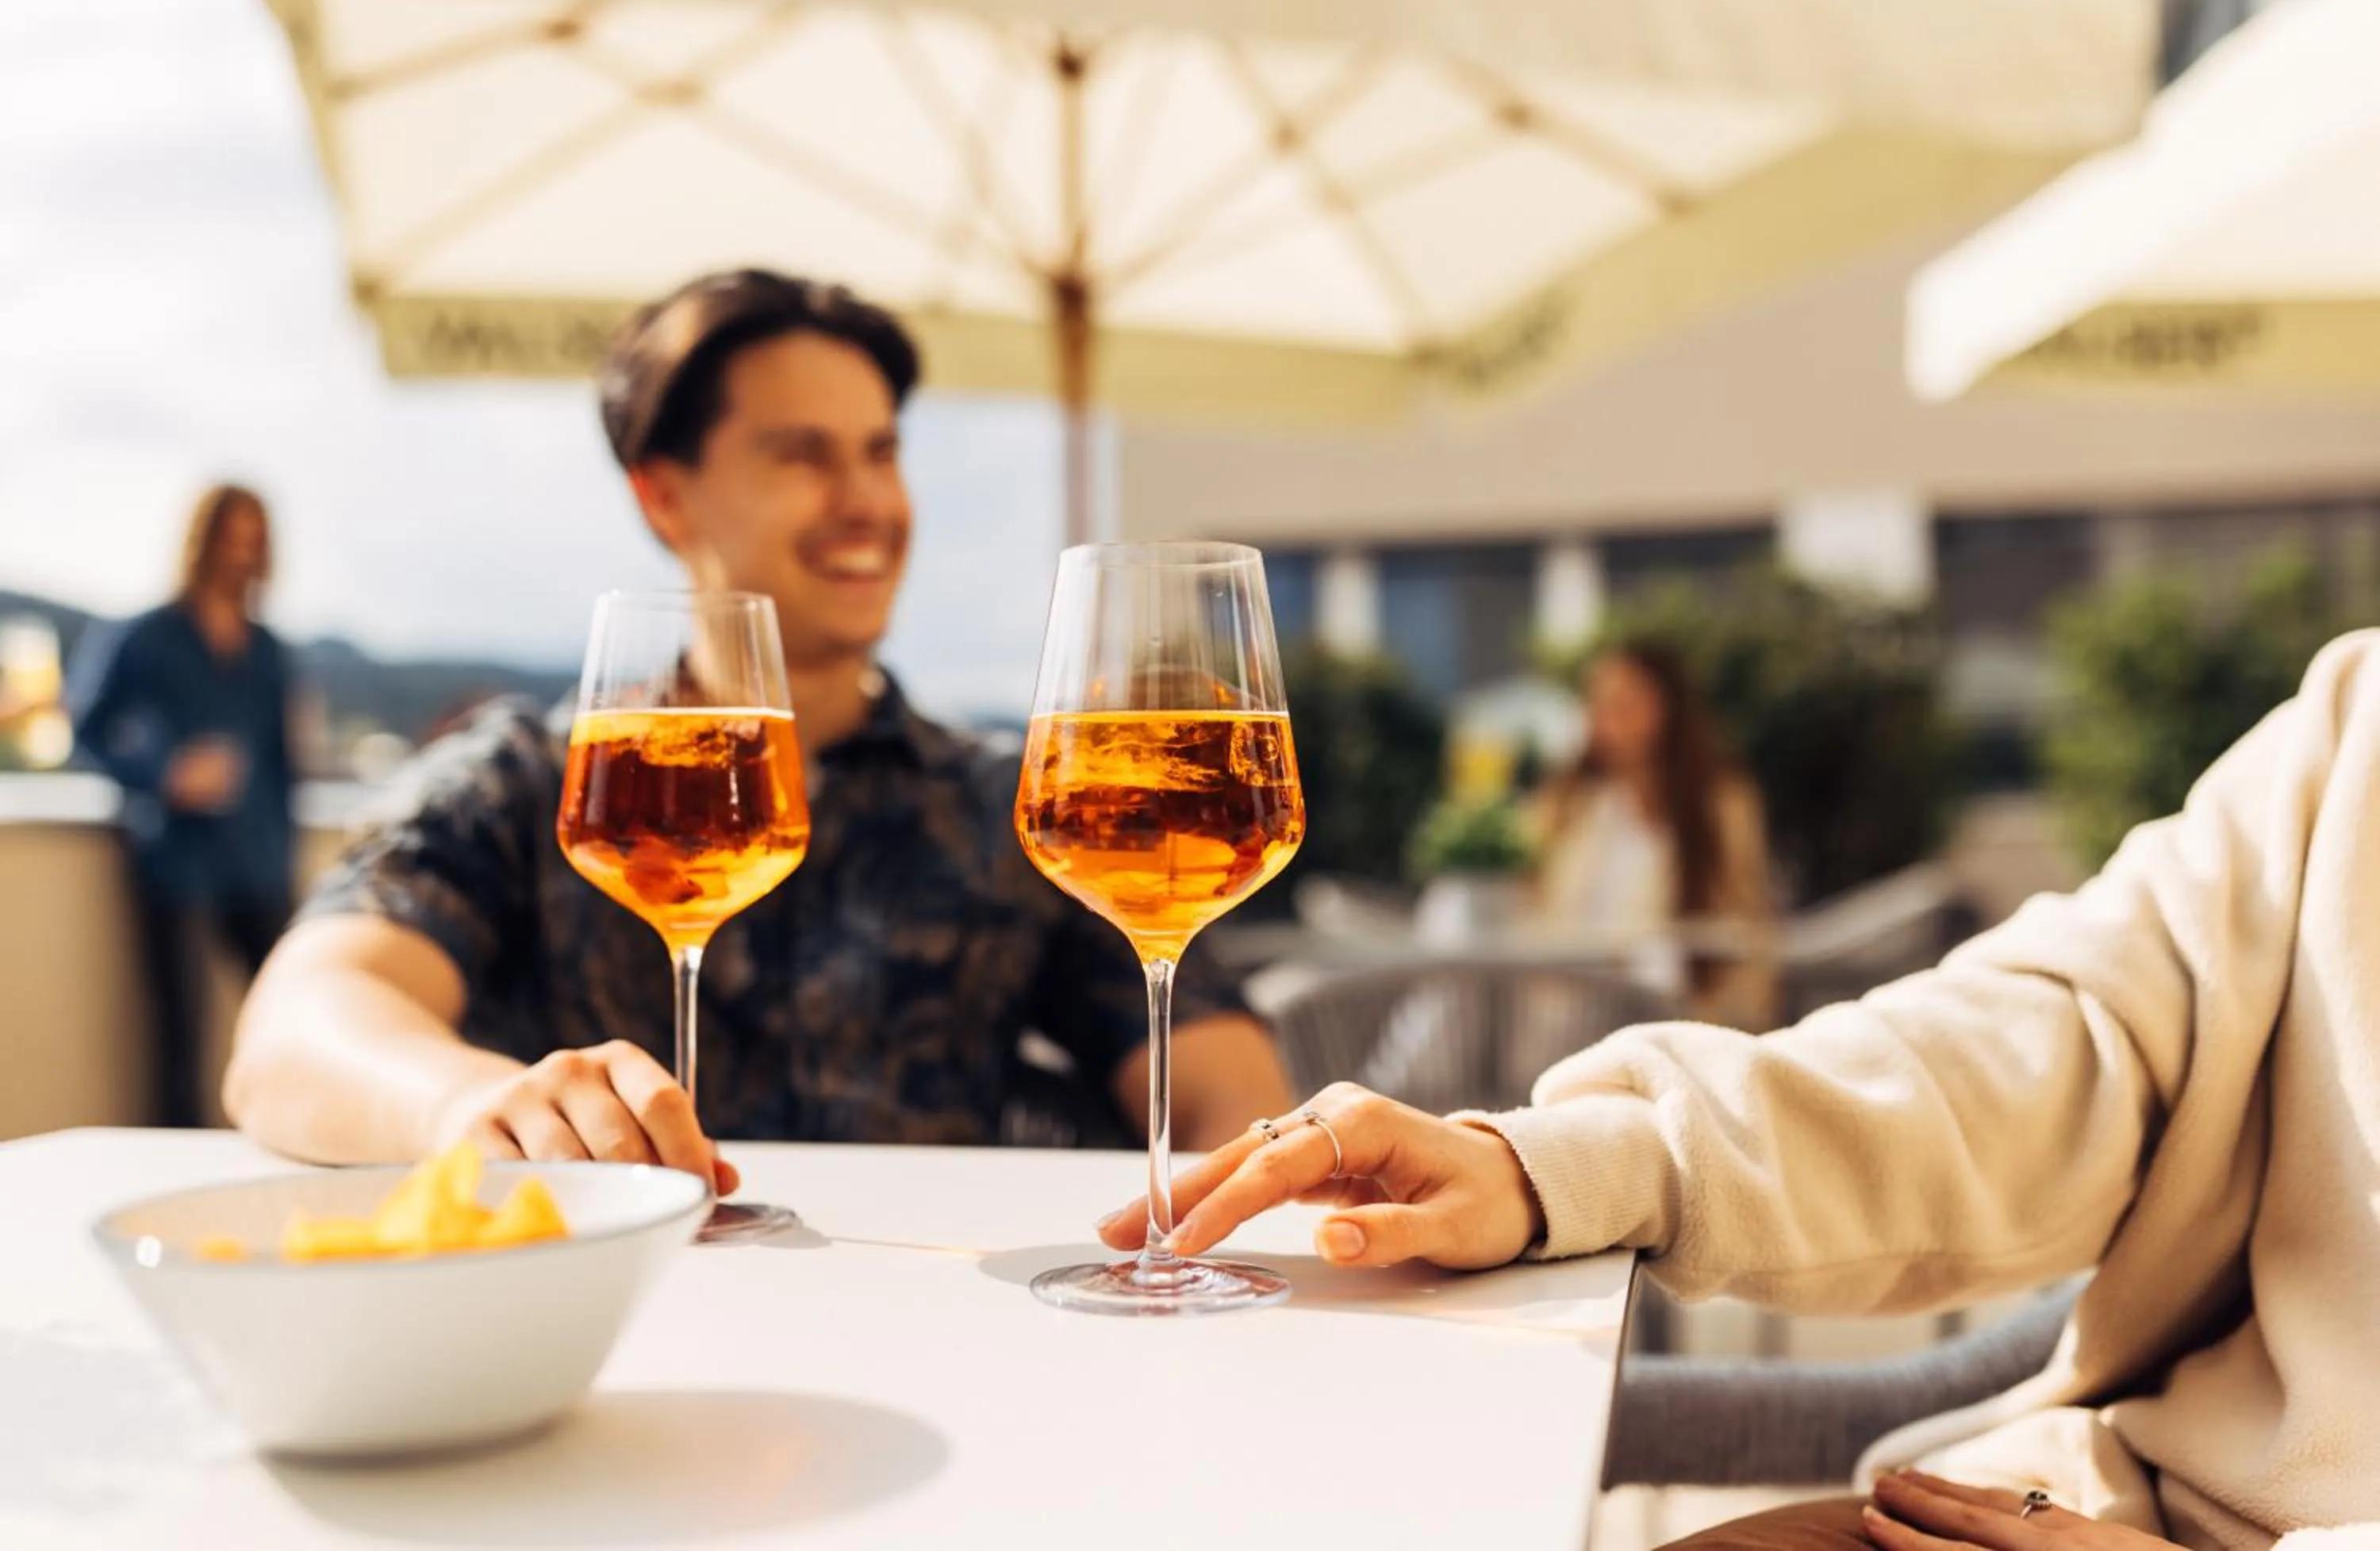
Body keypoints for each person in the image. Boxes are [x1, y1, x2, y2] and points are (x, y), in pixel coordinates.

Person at [1098, 634, 2380, 1549]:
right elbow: (2056, 1042)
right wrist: (1573, 1160)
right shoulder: (2354, 727)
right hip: (2106, 1498)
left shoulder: (1707, 807)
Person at [225, 269, 1291, 1187]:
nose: (866, 498)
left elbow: (1225, 1085)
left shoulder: (1004, 801)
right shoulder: (535, 777)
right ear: (665, 497)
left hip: (931, 1345)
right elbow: (291, 1036)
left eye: (881, 451)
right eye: (804, 455)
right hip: (608, 1339)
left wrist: (1198, 1234)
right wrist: (469, 1104)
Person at [70, 483, 296, 1128]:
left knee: (292, 1019)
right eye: (231, 537)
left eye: (252, 540)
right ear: (204, 540)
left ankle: (289, 1147)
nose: (240, 553)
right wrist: (164, 774)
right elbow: (85, 724)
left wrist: (284, 863)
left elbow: (285, 768)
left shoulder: (268, 652)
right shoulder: (142, 636)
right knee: (181, 1043)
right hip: (176, 864)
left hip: (258, 864)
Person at [1534, 639, 1775, 1028]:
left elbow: (1743, 921)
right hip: (1570, 1003)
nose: (1608, 719)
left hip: (1676, 1014)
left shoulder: (1721, 805)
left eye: (1625, 703)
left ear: (1669, 710)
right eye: (1599, 704)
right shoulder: (1572, 804)